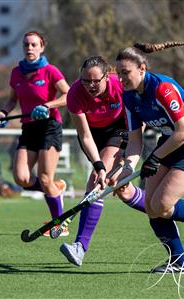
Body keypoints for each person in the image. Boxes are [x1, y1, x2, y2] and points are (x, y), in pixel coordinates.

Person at [114, 41, 184, 274]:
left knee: (163, 204)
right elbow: (135, 140)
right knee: (150, 206)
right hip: (169, 142)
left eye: (126, 73)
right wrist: (126, 170)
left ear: (142, 69)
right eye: (119, 74)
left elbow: (183, 131)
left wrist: (154, 158)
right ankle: (180, 261)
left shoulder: (163, 88)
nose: (121, 79)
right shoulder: (129, 97)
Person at [59, 56, 147, 267]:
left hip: (120, 129)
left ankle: (80, 246)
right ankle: (165, 208)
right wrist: (98, 164)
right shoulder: (74, 94)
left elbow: (138, 124)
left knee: (95, 184)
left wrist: (128, 157)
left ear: (107, 76)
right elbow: (85, 136)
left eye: (95, 81)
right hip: (93, 136)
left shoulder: (121, 86)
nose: (90, 85)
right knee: (122, 190)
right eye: (85, 80)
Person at [0, 31, 70, 236]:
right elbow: (12, 100)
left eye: (34, 45)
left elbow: (69, 95)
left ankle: (60, 223)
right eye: (26, 44)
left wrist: (48, 105)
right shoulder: (16, 72)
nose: (30, 48)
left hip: (49, 126)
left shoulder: (50, 71)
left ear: (42, 47)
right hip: (29, 128)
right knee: (21, 178)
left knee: (44, 178)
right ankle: (55, 188)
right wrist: (2, 113)